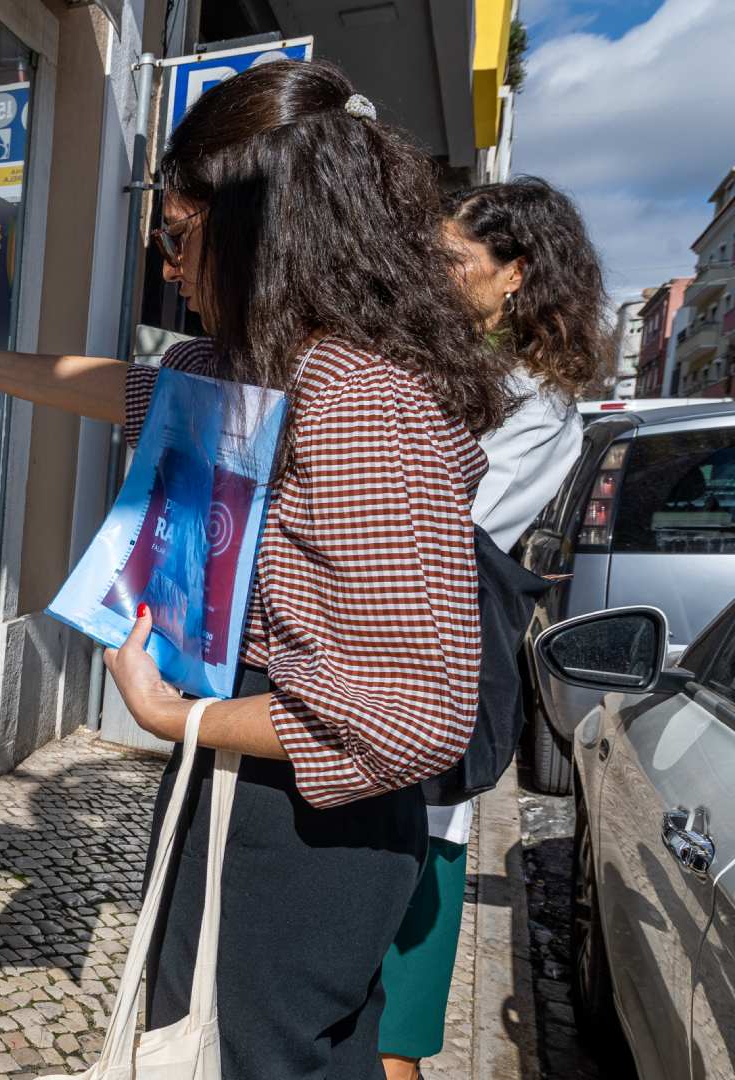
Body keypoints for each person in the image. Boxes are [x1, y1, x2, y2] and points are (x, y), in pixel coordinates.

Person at [0, 60, 513, 1077]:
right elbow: (137, 390)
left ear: (267, 229)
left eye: (180, 236)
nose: (169, 267)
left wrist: (174, 718)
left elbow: (413, 712)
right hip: (259, 786)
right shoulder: (270, 369)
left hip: (301, 820)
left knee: (245, 1057)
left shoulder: (357, 402)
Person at [377, 177, 605, 1080]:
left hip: (429, 679)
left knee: (398, 985)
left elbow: (435, 526)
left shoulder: (538, 407)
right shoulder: (456, 368)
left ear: (517, 275)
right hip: (393, 672)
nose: (435, 271)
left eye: (455, 258)